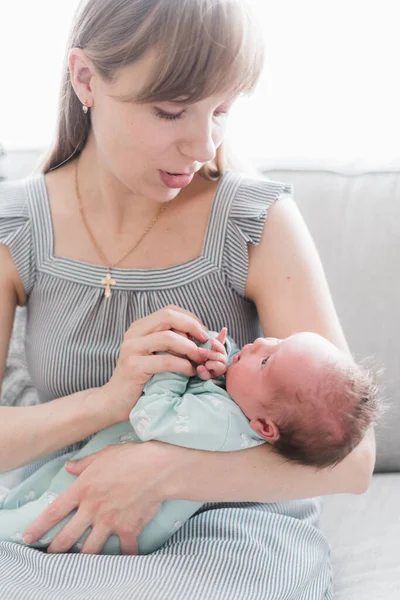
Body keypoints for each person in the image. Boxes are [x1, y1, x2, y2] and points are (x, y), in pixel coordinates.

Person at [0, 0, 376, 597]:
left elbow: (354, 459)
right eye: (171, 111)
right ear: (85, 79)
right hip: (61, 499)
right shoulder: (17, 226)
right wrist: (109, 402)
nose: (202, 144)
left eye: (221, 110)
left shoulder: (255, 219)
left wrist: (162, 472)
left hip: (227, 517)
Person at [0, 328, 380, 556]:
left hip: (108, 519)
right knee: (31, 496)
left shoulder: (223, 425)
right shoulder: (240, 412)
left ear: (265, 428)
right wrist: (218, 364)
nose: (262, 340)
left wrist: (170, 368)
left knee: (24, 523)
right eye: (277, 341)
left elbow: (154, 419)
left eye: (266, 361)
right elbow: (224, 395)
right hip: (101, 482)